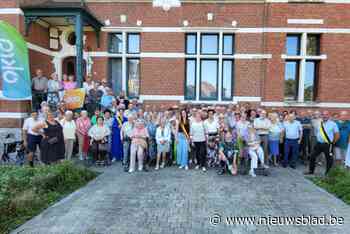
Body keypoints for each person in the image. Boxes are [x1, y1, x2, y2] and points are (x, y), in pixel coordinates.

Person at [305, 111, 340, 175]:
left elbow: (337, 135)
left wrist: (332, 143)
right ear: (322, 116)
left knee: (329, 159)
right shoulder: (319, 123)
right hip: (319, 144)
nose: (325, 116)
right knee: (312, 156)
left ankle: (328, 173)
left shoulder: (333, 124)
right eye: (323, 115)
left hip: (328, 144)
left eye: (326, 115)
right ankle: (311, 171)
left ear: (329, 116)